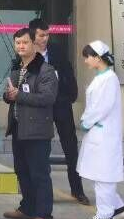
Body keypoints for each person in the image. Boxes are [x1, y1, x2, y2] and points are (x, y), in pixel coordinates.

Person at [2, 27, 58, 219]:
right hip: (19, 127)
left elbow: (48, 98)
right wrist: (8, 96)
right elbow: (13, 95)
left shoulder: (46, 70)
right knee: (22, 170)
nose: (20, 46)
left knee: (39, 173)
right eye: (17, 43)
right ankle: (28, 208)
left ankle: (44, 214)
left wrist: (19, 95)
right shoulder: (17, 67)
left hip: (37, 130)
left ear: (35, 43)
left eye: (25, 42)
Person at [30, 18, 88, 204]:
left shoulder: (56, 50)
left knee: (70, 147)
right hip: (39, 107)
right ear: (33, 36)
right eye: (41, 35)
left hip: (61, 104)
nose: (45, 39)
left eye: (47, 35)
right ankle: (41, 192)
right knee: (41, 149)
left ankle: (77, 190)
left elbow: (68, 73)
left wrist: (70, 96)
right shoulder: (27, 52)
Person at [77, 40, 124, 219]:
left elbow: (101, 107)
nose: (86, 61)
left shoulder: (109, 79)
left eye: (87, 57)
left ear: (97, 58)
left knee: (104, 176)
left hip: (104, 132)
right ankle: (117, 207)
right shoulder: (102, 77)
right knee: (99, 174)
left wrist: (86, 121)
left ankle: (105, 217)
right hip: (98, 132)